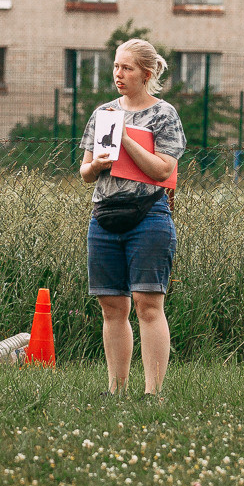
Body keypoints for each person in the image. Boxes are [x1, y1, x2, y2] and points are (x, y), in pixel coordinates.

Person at [79, 39, 186, 397]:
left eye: (126, 68)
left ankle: (152, 393)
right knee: (112, 306)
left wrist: (126, 138)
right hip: (104, 216)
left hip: (149, 215)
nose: (118, 75)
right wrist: (96, 164)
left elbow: (162, 170)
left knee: (148, 304)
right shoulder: (103, 112)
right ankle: (116, 389)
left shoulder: (163, 115)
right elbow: (85, 172)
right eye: (115, 67)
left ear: (147, 73)